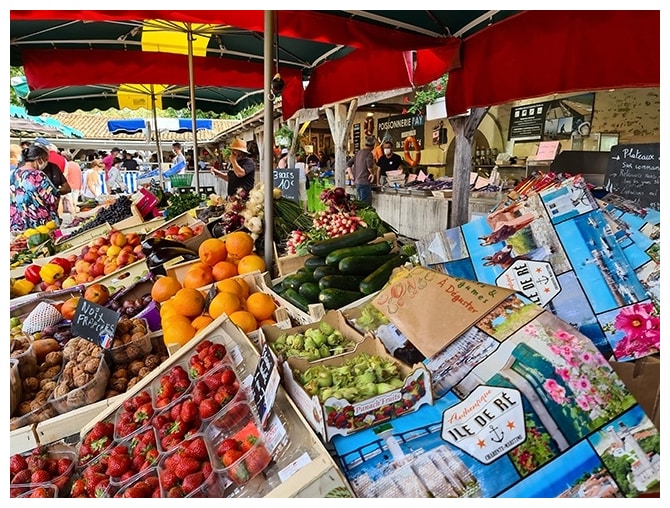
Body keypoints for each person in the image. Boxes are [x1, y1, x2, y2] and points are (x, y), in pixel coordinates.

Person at [10, 144, 60, 233]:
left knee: (19, 245)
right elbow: (52, 199)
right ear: (38, 159)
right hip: (38, 226)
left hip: (16, 224)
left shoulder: (11, 174)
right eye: (45, 160)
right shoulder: (38, 175)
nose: (46, 163)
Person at [346, 135, 376, 205]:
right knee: (365, 205)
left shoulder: (358, 152)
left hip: (357, 182)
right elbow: (369, 166)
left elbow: (348, 164)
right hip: (364, 182)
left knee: (360, 202)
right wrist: (372, 174)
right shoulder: (369, 154)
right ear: (373, 145)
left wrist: (351, 175)